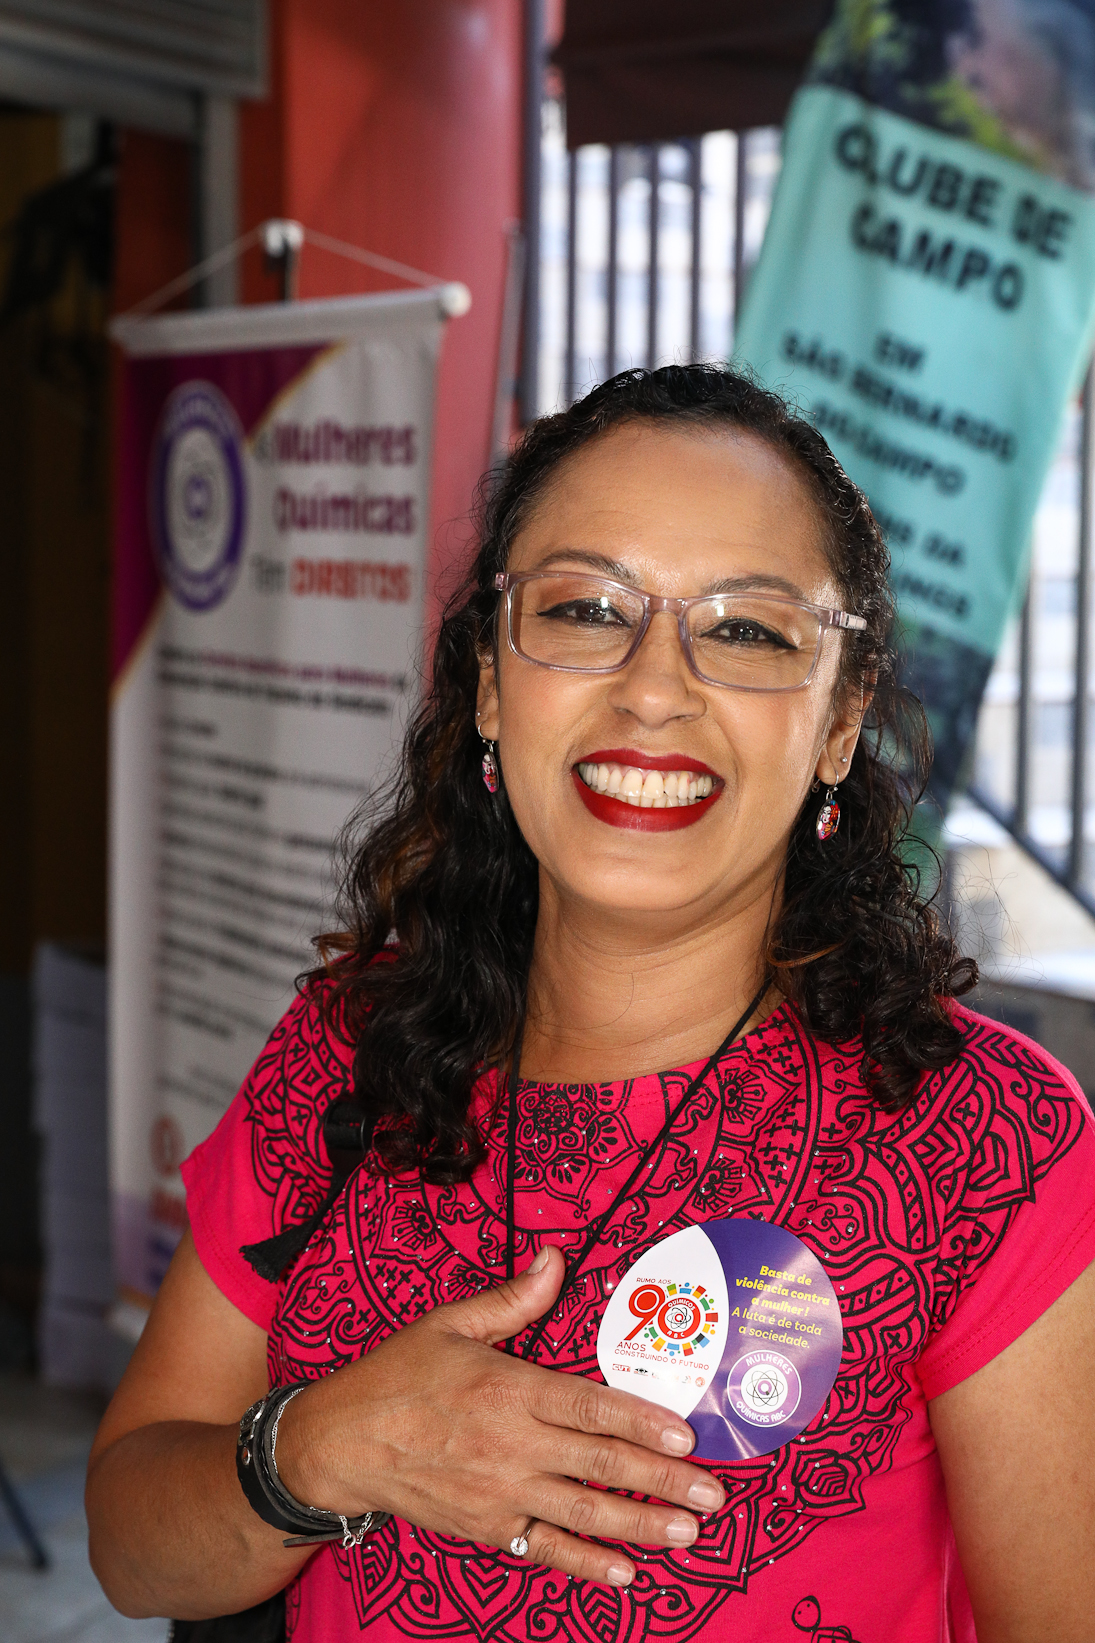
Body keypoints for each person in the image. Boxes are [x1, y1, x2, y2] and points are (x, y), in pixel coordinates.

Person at [86, 366, 1095, 1643]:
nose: (652, 685)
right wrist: (323, 1443)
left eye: (746, 629)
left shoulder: (979, 1138)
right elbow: (130, 1543)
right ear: (495, 687)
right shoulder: (349, 1053)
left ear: (841, 723)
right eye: (585, 608)